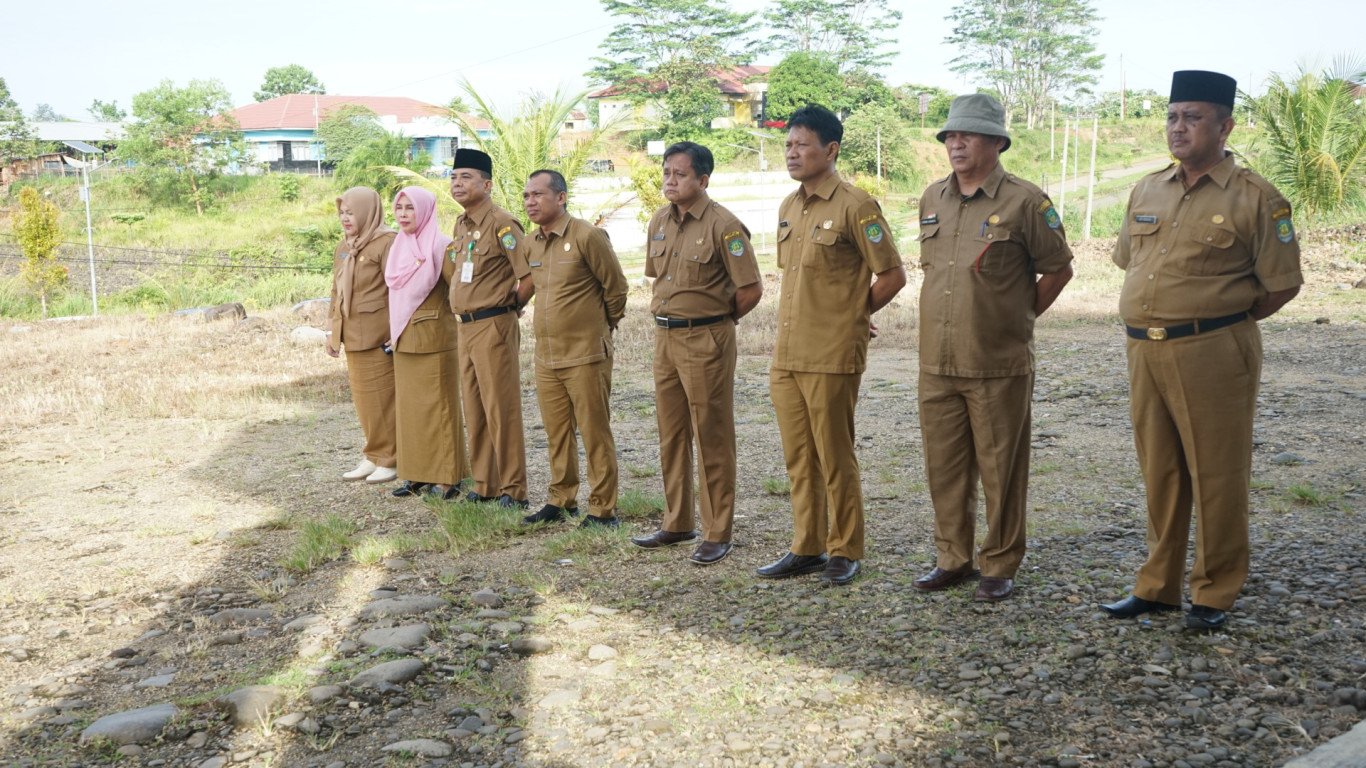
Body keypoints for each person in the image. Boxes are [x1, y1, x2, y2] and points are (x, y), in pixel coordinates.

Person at [1100, 70, 1302, 630]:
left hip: (1213, 349)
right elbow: (1129, 261)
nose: (1178, 127)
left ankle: (1215, 590)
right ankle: (1157, 586)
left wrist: (1221, 320)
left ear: (1224, 126)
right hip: (1145, 349)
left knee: (1217, 472)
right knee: (1161, 471)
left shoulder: (1256, 197)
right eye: (1172, 116)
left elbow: (1282, 285)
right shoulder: (1148, 189)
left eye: (1193, 117)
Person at [910, 94, 1075, 602]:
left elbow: (1059, 269)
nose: (955, 144)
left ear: (997, 142)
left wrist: (1017, 319)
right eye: (950, 136)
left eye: (967, 135)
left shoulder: (1026, 202)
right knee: (944, 467)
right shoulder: (932, 197)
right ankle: (952, 558)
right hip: (937, 361)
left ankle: (1000, 563)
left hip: (997, 361)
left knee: (1002, 470)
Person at [756, 105, 906, 586]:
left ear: (831, 149)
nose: (791, 153)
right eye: (788, 145)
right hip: (787, 353)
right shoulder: (788, 206)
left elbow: (892, 275)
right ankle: (807, 546)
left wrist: (854, 315)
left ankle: (845, 548)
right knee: (799, 458)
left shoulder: (856, 205)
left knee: (834, 455)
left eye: (801, 145)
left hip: (831, 352)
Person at [630, 141, 763, 566]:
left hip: (706, 338)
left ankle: (717, 531)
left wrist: (719, 320)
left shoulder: (725, 225)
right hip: (665, 338)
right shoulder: (659, 220)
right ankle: (677, 521)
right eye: (666, 172)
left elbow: (751, 289)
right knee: (671, 433)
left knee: (711, 433)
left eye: (680, 174)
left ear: (703, 180)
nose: (670, 181)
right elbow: (659, 278)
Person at [519, 169, 629, 528]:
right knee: (557, 433)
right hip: (546, 356)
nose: (530, 202)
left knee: (595, 433)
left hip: (586, 354)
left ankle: (602, 509)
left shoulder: (587, 235)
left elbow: (616, 288)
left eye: (538, 194)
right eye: (526, 196)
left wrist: (603, 326)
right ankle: (561, 500)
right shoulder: (531, 242)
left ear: (561, 197)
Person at [443, 148, 533, 510]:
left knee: (501, 408)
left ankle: (514, 489)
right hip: (464, 328)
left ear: (487, 184)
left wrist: (511, 305)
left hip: (493, 325)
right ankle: (485, 485)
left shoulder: (503, 224)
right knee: (475, 408)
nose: (457, 183)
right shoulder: (461, 225)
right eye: (453, 177)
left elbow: (529, 276)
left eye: (466, 177)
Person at [385, 186, 470, 501]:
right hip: (404, 338)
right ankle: (418, 472)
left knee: (439, 410)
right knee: (410, 411)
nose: (404, 214)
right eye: (400, 208)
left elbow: (457, 289)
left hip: (435, 340)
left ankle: (447, 477)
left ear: (425, 210)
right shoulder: (399, 245)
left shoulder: (441, 245)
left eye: (410, 208)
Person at [325, 187, 399, 485]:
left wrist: (398, 329)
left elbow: (399, 290)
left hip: (379, 334)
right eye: (342, 213)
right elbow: (336, 291)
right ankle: (374, 454)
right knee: (365, 400)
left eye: (351, 213)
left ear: (368, 212)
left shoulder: (388, 242)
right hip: (351, 334)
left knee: (384, 399)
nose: (345, 218)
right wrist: (331, 331)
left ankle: (391, 458)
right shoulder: (344, 246)